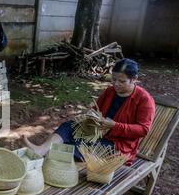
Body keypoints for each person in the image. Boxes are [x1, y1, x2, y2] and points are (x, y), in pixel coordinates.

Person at [23, 58, 156, 165]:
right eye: (113, 79)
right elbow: (95, 110)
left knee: (79, 148)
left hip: (118, 145)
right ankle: (41, 150)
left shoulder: (144, 100)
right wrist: (88, 116)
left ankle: (47, 155)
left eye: (122, 81)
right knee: (68, 126)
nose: (116, 84)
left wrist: (115, 126)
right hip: (96, 132)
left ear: (134, 79)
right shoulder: (110, 91)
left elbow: (143, 129)